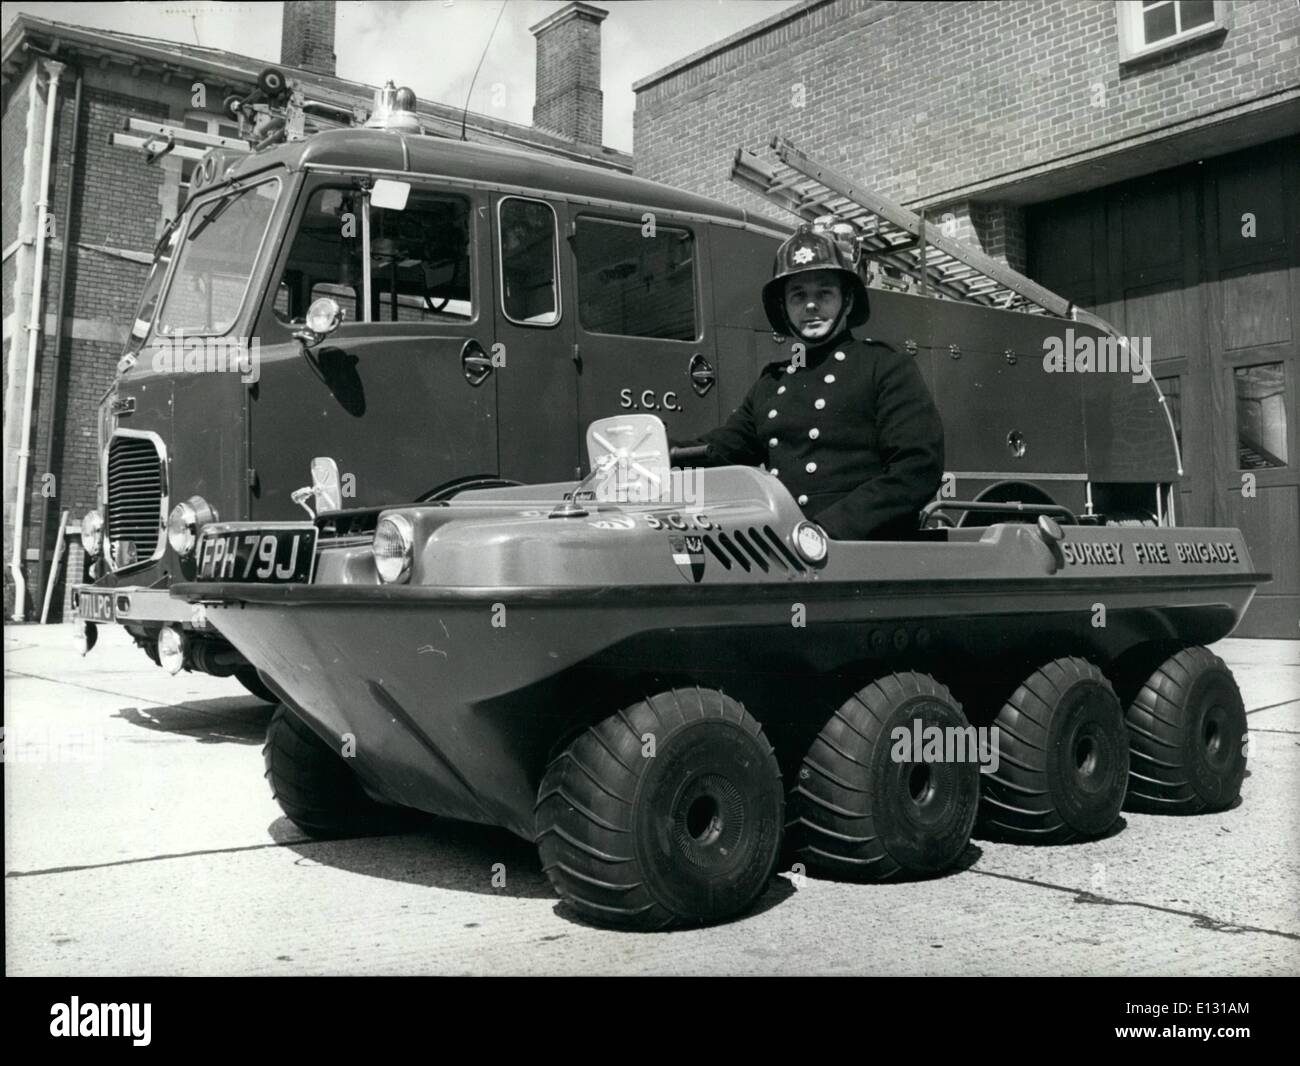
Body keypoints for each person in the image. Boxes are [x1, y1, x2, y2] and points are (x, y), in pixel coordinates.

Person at [674, 223, 944, 540]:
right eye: (798, 295)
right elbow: (720, 450)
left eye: (824, 293)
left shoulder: (884, 366)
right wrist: (651, 457)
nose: (811, 305)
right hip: (791, 548)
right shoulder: (772, 383)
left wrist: (828, 529)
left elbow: (916, 468)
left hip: (861, 550)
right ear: (784, 308)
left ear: (848, 300)